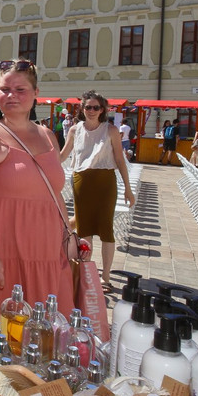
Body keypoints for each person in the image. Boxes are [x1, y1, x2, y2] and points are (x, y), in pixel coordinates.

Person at [0, 60, 75, 315]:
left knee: (47, 326)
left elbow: (54, 193)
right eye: (5, 89)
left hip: (47, 248)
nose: (11, 95)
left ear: (36, 94)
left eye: (20, 89)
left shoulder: (47, 135)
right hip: (6, 248)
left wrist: (68, 235)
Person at [59, 91, 134, 288]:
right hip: (81, 180)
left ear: (103, 110)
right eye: (88, 107)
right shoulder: (75, 130)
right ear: (82, 109)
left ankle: (106, 277)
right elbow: (63, 155)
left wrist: (128, 188)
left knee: (106, 229)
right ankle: (87, 272)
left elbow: (120, 159)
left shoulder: (110, 130)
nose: (92, 111)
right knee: (85, 229)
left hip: (105, 181)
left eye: (96, 107)